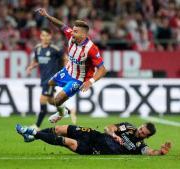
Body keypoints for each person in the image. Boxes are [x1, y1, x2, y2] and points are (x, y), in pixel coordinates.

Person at [35, 8, 107, 123]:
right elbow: (61, 25)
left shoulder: (91, 49)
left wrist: (90, 81)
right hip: (68, 71)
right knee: (50, 83)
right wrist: (47, 16)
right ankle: (64, 110)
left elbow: (103, 70)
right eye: (73, 30)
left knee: (57, 100)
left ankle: (61, 112)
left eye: (75, 32)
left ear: (83, 35)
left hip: (78, 79)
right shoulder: (71, 36)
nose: (72, 33)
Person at [15, 122, 172, 155]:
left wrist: (161, 152)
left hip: (93, 149)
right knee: (59, 129)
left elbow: (151, 152)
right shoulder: (128, 127)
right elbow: (108, 128)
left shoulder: (139, 147)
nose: (139, 132)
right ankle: (32, 137)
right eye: (141, 128)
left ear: (147, 136)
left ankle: (32, 133)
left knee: (67, 142)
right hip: (93, 135)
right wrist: (114, 135)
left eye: (143, 133)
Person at [26, 28, 76, 129]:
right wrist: (31, 66)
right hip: (43, 78)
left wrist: (65, 71)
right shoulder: (38, 49)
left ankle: (37, 126)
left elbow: (65, 58)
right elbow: (36, 60)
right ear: (40, 36)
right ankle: (69, 111)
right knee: (50, 101)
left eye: (47, 35)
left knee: (42, 99)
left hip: (51, 79)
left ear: (50, 36)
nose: (45, 38)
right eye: (43, 35)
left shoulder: (55, 49)